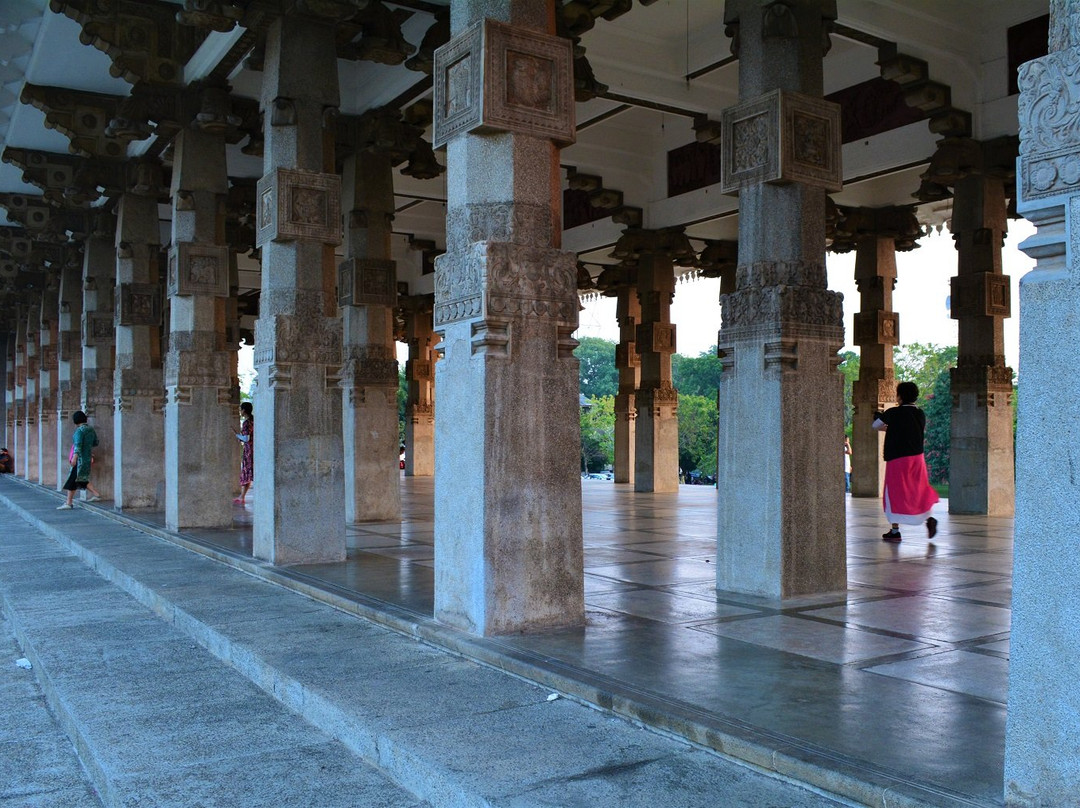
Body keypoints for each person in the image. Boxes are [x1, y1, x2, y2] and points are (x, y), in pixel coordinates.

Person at [872, 382, 939, 542]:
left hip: (897, 459)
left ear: (899, 396)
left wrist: (881, 418)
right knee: (918, 490)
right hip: (917, 458)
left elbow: (876, 425)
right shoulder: (920, 413)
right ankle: (929, 519)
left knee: (894, 493)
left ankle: (895, 531)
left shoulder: (893, 413)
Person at [57, 411, 101, 509]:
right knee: (82, 478)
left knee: (73, 479)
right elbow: (95, 442)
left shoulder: (79, 431)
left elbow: (78, 445)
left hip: (79, 459)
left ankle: (68, 503)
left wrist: (74, 457)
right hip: (87, 458)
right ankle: (96, 494)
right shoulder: (91, 430)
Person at [234, 401, 253, 506]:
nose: (240, 411)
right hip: (254, 449)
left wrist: (237, 436)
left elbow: (246, 438)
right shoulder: (254, 421)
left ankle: (242, 496)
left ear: (244, 410)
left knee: (246, 473)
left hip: (249, 451)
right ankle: (242, 496)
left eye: (241, 409)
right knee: (250, 473)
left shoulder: (247, 423)